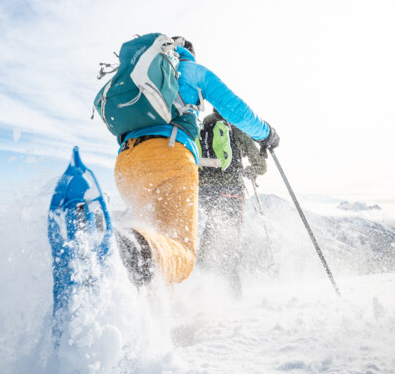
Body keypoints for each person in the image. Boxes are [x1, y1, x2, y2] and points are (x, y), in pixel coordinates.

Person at [113, 36, 279, 287]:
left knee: (158, 243)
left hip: (126, 162)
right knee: (180, 254)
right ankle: (127, 248)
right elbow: (238, 110)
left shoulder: (142, 78)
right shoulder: (191, 71)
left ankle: (145, 303)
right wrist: (267, 134)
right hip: (171, 160)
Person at [196, 108, 268, 293]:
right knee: (229, 243)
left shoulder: (200, 126)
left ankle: (198, 288)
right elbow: (260, 166)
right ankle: (232, 295)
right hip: (230, 193)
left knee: (207, 235)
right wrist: (249, 171)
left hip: (201, 192)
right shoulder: (235, 128)